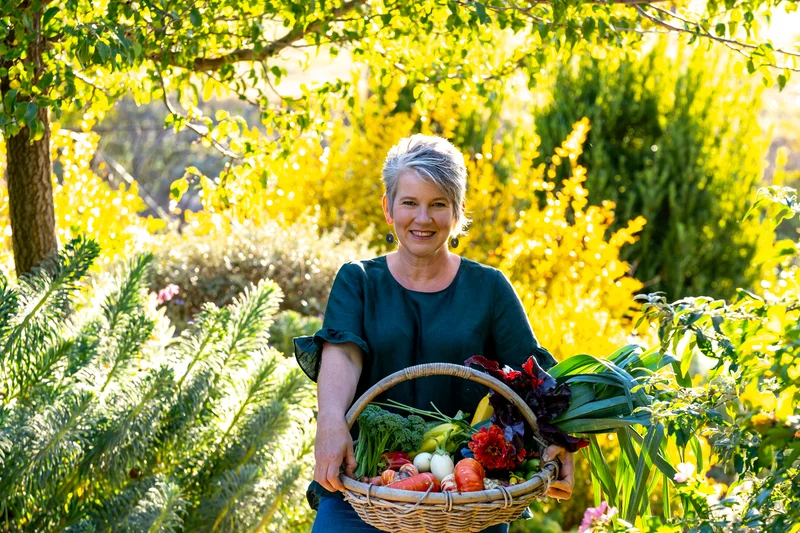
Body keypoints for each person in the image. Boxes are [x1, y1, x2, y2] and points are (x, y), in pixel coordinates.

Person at [294, 134, 575, 532]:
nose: (422, 218)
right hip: (362, 487)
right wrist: (330, 422)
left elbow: (531, 379)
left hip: (468, 498)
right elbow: (342, 354)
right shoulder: (359, 280)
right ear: (388, 208)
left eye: (438, 204)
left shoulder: (490, 288)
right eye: (409, 202)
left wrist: (558, 438)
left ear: (458, 211)